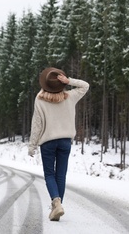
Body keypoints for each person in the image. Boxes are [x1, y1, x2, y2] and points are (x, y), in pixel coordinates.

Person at [28, 67, 89, 221]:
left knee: (50, 175)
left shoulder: (39, 99)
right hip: (65, 142)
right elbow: (85, 85)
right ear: (61, 83)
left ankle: (56, 203)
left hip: (48, 143)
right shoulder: (70, 97)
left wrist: (32, 145)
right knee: (60, 175)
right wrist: (69, 81)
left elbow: (37, 125)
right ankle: (57, 206)